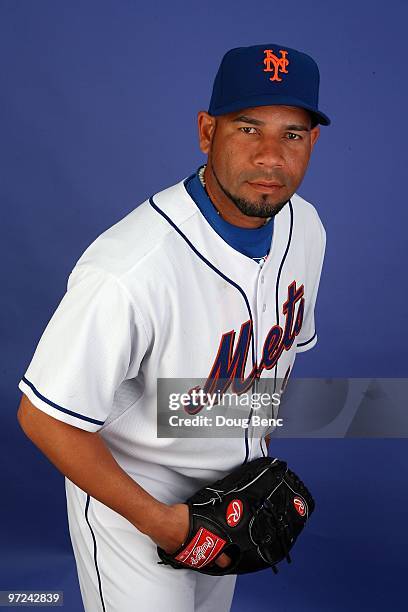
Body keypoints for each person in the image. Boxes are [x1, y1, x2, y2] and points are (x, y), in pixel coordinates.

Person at [17, 43, 330, 612]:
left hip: (230, 495)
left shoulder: (305, 228)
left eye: (292, 134)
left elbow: (275, 364)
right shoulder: (130, 269)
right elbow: (42, 417)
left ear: (313, 142)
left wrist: (252, 459)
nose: (270, 157)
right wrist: (166, 525)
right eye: (248, 128)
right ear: (207, 132)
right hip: (134, 503)